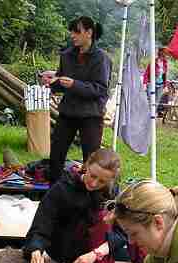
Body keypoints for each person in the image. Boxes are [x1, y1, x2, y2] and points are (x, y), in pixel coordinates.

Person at [23, 148, 131, 263]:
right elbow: (42, 224)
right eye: (92, 176)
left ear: (111, 180)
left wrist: (94, 254)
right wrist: (36, 249)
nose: (94, 183)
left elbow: (123, 232)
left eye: (102, 181)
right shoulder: (62, 189)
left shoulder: (113, 194)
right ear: (86, 165)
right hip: (63, 250)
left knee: (136, 240)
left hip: (96, 251)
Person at [42, 16, 112, 183]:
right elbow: (61, 82)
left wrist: (75, 84)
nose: (72, 35)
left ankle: (90, 194)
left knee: (91, 158)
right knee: (56, 153)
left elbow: (101, 89)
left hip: (91, 114)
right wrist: (52, 82)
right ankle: (54, 190)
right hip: (68, 112)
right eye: (71, 31)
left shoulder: (101, 58)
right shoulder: (66, 55)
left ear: (89, 33)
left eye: (77, 31)